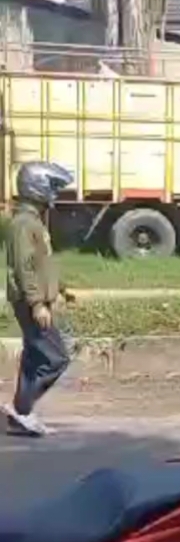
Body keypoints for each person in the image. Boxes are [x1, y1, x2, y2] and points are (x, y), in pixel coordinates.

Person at [5, 161, 74, 437]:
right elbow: (24, 267)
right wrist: (37, 304)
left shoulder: (31, 220)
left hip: (36, 300)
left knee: (35, 356)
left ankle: (22, 414)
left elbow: (42, 263)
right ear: (37, 187)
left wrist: (61, 288)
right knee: (56, 358)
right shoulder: (23, 224)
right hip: (29, 301)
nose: (54, 193)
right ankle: (22, 409)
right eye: (52, 187)